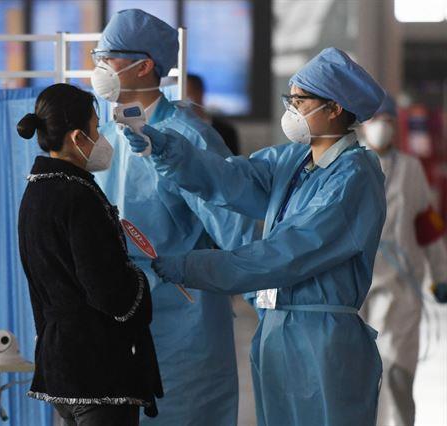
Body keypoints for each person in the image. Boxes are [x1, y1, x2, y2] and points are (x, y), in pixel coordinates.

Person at [125, 47, 387, 426]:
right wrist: (169, 151)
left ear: (334, 109)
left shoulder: (354, 177)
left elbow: (285, 255)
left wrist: (188, 266)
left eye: (300, 101)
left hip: (322, 340)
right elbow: (232, 179)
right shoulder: (293, 161)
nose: (291, 110)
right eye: (290, 99)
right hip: (276, 329)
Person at [90, 9, 257, 425]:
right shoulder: (102, 135)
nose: (99, 68)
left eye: (107, 57)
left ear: (144, 65)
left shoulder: (189, 137)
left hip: (184, 320)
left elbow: (234, 227)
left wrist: (268, 299)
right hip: (116, 315)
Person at [16, 83, 162, 426]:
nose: (102, 138)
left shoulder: (35, 193)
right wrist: (139, 278)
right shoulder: (78, 197)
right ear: (78, 138)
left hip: (59, 365)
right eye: (97, 128)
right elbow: (109, 293)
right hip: (97, 368)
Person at [359, 94, 447, 426]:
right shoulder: (350, 165)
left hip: (400, 288)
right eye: (374, 119)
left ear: (396, 125)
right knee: (355, 373)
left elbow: (427, 228)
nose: (380, 127)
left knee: (396, 370)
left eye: (387, 120)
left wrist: (440, 275)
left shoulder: (410, 169)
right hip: (354, 289)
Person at [186, 73, 240, 156]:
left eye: (187, 94)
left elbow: (235, 165)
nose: (183, 100)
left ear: (200, 93)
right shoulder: (176, 130)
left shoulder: (226, 132)